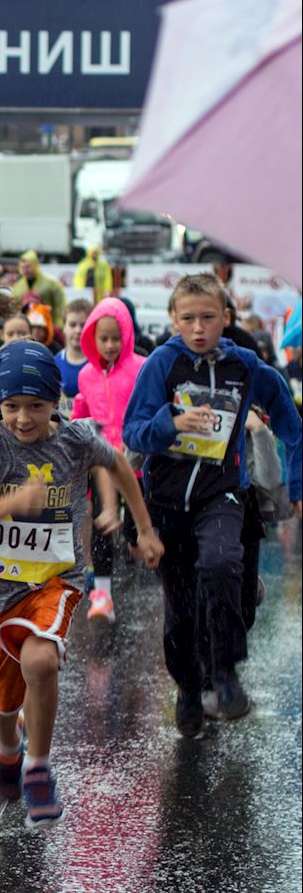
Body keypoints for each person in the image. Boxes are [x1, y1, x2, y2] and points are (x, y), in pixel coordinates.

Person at [0, 340, 163, 829]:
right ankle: (7, 747)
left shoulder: (76, 439)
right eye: (12, 407)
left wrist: (145, 528)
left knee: (40, 658)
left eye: (37, 407)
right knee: (5, 698)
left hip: (55, 579)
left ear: (56, 402)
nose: (24, 419)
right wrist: (12, 503)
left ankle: (38, 767)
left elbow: (118, 465)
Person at [122, 273, 301, 735]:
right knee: (180, 609)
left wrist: (295, 489)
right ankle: (187, 687)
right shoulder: (161, 363)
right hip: (166, 500)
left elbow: (290, 423)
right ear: (173, 320)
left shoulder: (246, 366)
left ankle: (224, 672)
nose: (198, 328)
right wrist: (174, 422)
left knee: (221, 564)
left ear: (226, 317)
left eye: (208, 317)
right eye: (188, 319)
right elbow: (133, 432)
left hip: (222, 493)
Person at [72, 297, 148, 623]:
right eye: (103, 338)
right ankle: (102, 594)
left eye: (116, 338)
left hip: (136, 461)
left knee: (132, 528)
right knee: (104, 525)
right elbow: (82, 414)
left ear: (128, 335)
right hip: (102, 460)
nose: (110, 345)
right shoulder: (86, 375)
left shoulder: (140, 368)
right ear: (92, 338)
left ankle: (136, 540)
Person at [55, 299, 92, 421]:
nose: (78, 330)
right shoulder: (54, 362)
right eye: (72, 325)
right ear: (64, 327)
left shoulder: (98, 363)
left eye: (83, 325)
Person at [11, 252, 67, 324]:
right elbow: (14, 307)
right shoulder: (18, 286)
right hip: (26, 325)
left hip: (49, 324)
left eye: (28, 267)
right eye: (23, 267)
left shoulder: (51, 283)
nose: (25, 270)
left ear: (35, 265)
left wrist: (59, 323)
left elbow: (61, 304)